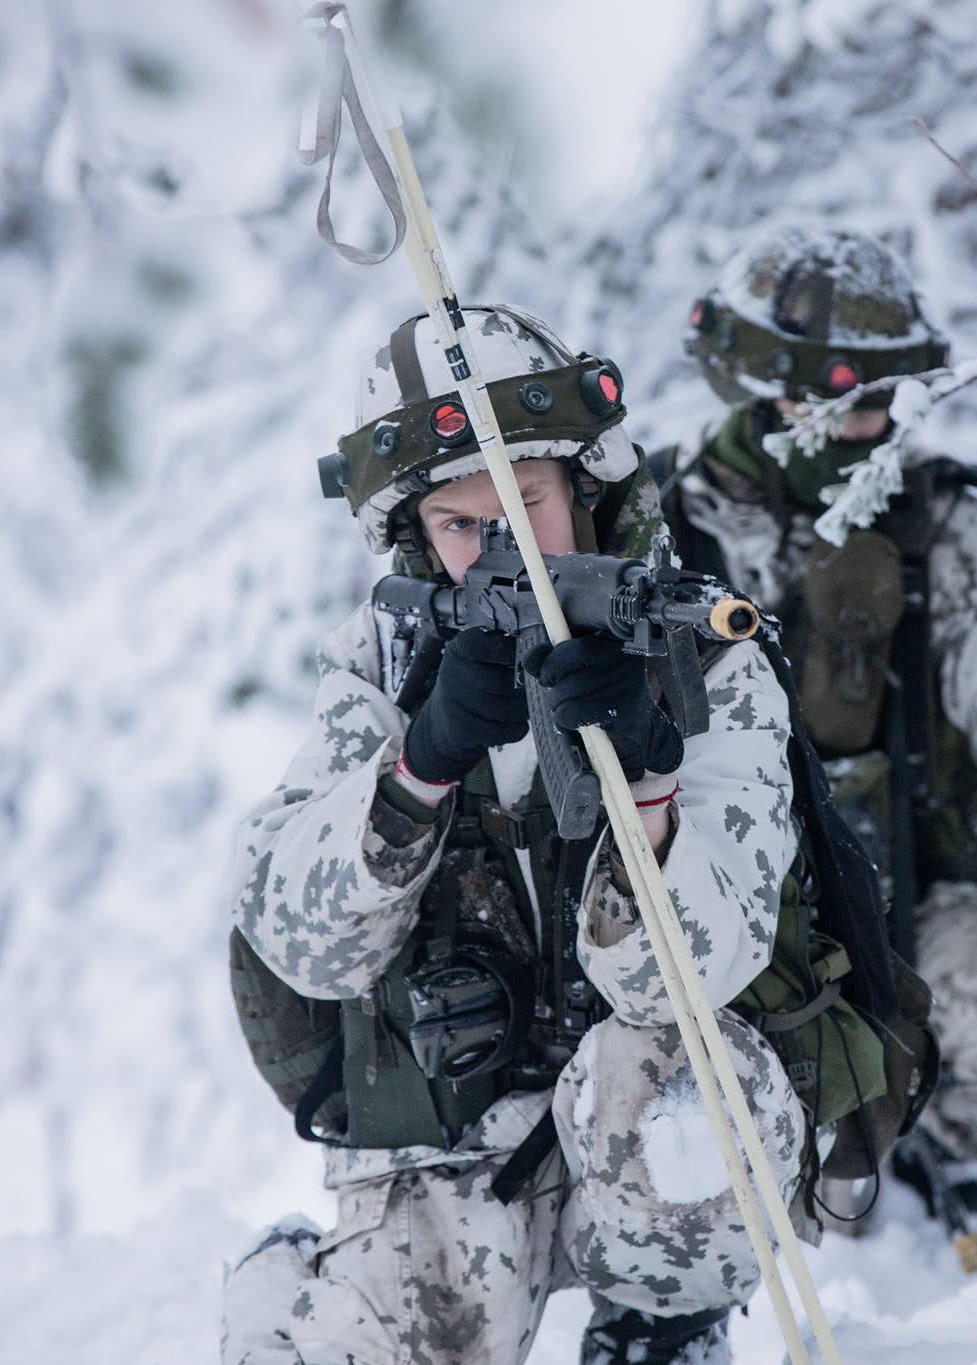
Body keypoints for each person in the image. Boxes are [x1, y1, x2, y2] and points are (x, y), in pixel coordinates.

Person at [220, 304, 920, 1365]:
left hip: (638, 1107)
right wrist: (421, 763)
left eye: (525, 500)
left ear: (586, 493)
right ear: (415, 536)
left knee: (686, 1107)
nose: (501, 542)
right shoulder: (381, 663)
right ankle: (288, 1290)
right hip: (446, 1127)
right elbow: (301, 946)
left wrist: (642, 772)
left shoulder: (704, 652)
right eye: (461, 523)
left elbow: (683, 979)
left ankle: (662, 1327)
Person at [664, 226, 977, 1268]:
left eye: (892, 399)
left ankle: (947, 1146)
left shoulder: (938, 523)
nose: (877, 424)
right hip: (712, 921)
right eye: (850, 399)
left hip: (916, 901)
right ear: (766, 393)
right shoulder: (660, 533)